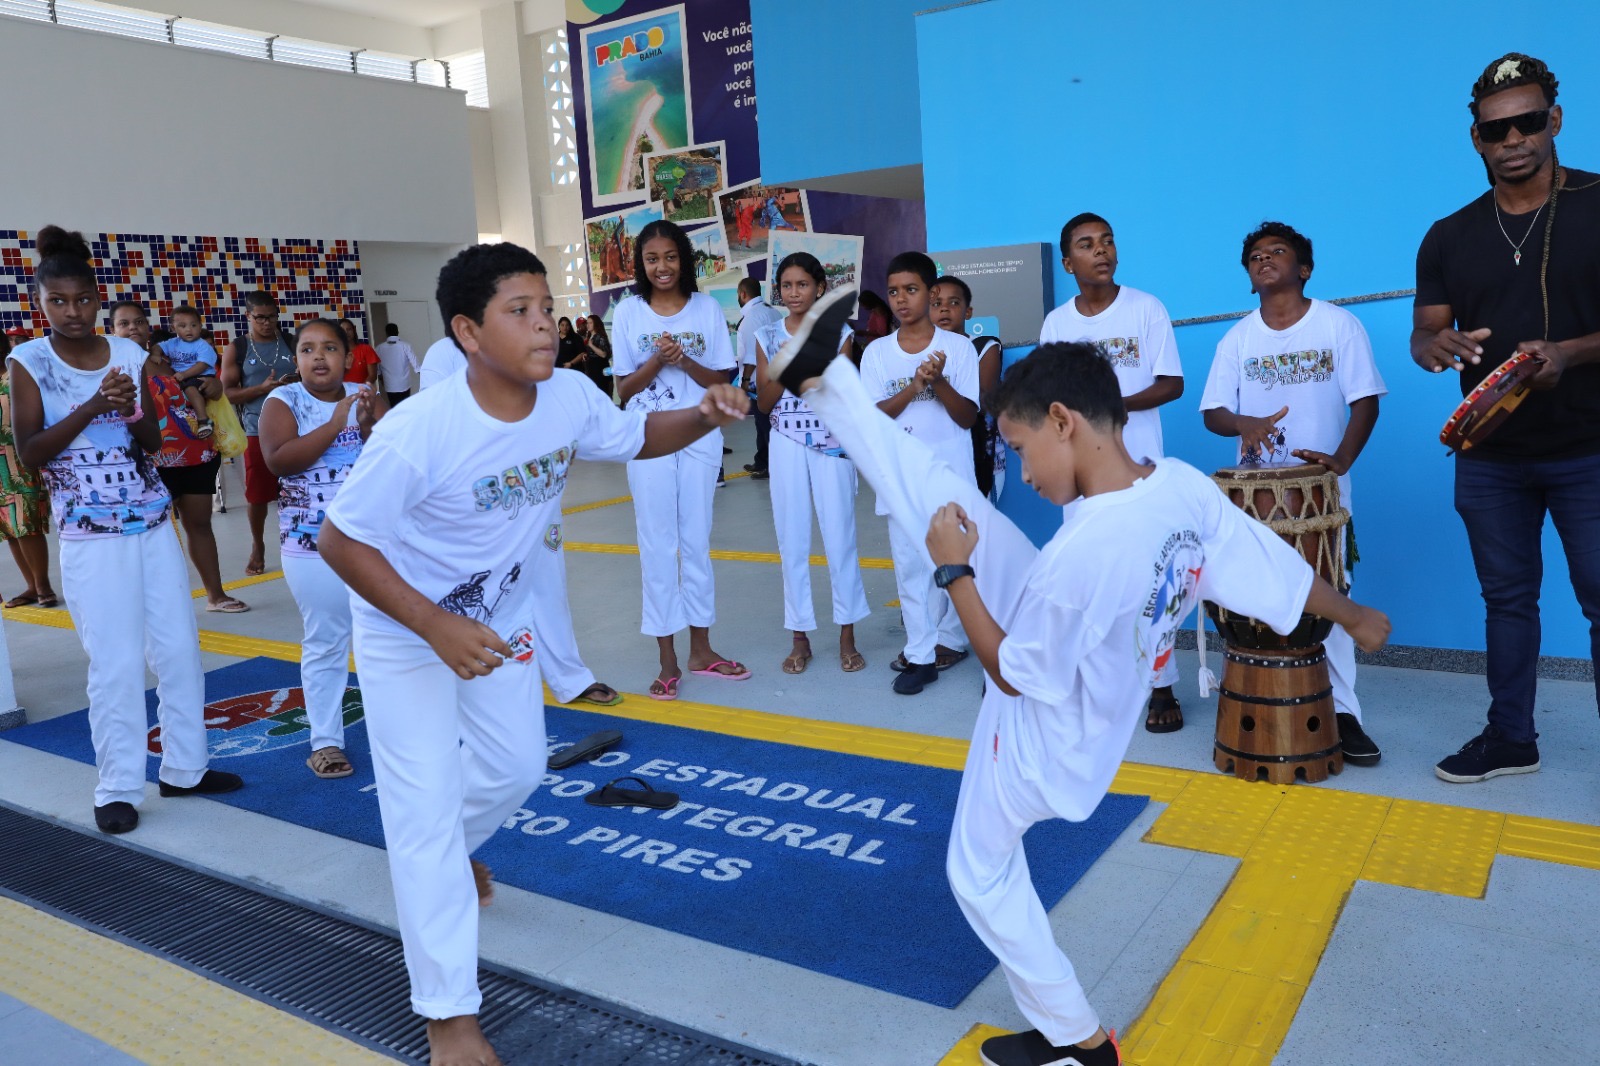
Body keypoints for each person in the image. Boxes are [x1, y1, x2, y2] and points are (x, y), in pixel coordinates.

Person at [765, 292, 1391, 1066]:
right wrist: (1354, 615)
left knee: (978, 871)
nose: (1021, 472)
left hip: (1044, 734)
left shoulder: (1082, 559)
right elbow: (1273, 574)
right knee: (941, 492)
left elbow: (1014, 673)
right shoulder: (1181, 488)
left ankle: (1083, 1044)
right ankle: (829, 377)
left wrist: (954, 571)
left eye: (1021, 448)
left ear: (1064, 421)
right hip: (1083, 665)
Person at [318, 241, 746, 1066]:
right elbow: (343, 541)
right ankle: (448, 1016)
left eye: (547, 308)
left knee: (516, 770)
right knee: (419, 811)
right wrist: (432, 626)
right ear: (469, 334)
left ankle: (447, 855)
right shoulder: (423, 429)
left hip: (497, 623)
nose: (546, 325)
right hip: (408, 633)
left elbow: (634, 436)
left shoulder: (569, 399)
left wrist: (703, 413)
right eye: (521, 311)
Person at [9, 226, 242, 835]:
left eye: (83, 300)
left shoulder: (130, 354)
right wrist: (90, 407)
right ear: (41, 303)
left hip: (149, 522)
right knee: (113, 664)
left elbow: (152, 441)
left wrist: (131, 408)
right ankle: (116, 786)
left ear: (97, 297)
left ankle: (185, 770)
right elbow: (31, 452)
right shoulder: (28, 361)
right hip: (90, 535)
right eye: (58, 302)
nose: (73, 312)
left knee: (178, 650)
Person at [1412, 53, 1600, 783]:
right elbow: (1425, 331)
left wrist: (1571, 354)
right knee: (1507, 602)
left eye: (1527, 122)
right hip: (1490, 455)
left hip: (1590, 448)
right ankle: (1512, 737)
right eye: (1497, 130)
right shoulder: (1450, 235)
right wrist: (1438, 345)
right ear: (1476, 140)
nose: (1513, 138)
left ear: (1554, 121)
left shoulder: (1594, 203)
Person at [1199, 221, 1385, 766]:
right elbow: (1212, 413)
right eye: (1255, 255)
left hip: (1320, 493)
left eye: (1277, 251)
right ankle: (1254, 701)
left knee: (1329, 598)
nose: (1264, 259)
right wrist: (1244, 423)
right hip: (1256, 499)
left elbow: (1366, 401)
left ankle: (1344, 713)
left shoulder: (1338, 325)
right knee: (1254, 602)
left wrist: (1341, 460)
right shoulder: (1237, 338)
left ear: (1304, 268)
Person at [416, 310, 627, 712]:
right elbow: (435, 427)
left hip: (533, 492)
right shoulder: (444, 354)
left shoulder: (525, 351)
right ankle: (483, 678)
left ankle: (570, 676)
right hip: (476, 502)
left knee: (549, 582)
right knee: (477, 592)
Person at [1038, 214, 1187, 732]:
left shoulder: (1146, 308)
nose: (1101, 251)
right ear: (1067, 262)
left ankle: (1161, 685)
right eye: (1087, 244)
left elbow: (1172, 384)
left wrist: (1110, 405)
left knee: (1151, 577)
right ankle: (1096, 682)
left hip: (1138, 469)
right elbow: (1049, 397)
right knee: (1087, 576)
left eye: (1107, 242)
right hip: (1080, 475)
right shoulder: (1058, 323)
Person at [612, 219, 750, 698]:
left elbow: (722, 380)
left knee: (696, 540)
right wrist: (656, 361)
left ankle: (701, 650)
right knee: (656, 544)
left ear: (684, 259)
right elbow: (623, 389)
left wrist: (682, 360)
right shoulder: (628, 313)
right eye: (652, 259)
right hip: (647, 439)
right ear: (641, 264)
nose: (662, 266)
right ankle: (667, 659)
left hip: (699, 435)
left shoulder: (708, 308)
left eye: (670, 257)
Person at [259, 320, 382, 780]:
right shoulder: (283, 400)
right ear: (297, 359)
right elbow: (280, 460)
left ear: (348, 357)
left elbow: (392, 461)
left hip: (371, 544)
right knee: (327, 640)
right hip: (310, 545)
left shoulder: (365, 394)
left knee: (384, 640)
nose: (319, 357)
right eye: (308, 349)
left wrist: (368, 426)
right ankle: (326, 742)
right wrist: (336, 424)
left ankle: (399, 731)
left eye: (330, 348)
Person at [859, 251, 979, 695]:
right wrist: (914, 386)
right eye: (893, 291)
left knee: (957, 565)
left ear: (931, 293)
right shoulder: (876, 353)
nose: (901, 300)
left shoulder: (959, 348)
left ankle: (969, 645)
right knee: (911, 570)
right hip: (900, 477)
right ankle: (921, 655)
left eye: (911, 290)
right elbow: (873, 419)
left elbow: (967, 418)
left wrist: (941, 381)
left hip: (949, 477)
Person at [754, 252, 869, 674]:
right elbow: (765, 404)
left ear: (819, 287)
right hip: (786, 443)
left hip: (832, 444)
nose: (794, 292)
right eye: (786, 285)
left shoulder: (840, 332)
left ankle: (847, 635)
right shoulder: (766, 335)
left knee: (840, 537)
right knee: (792, 539)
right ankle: (799, 636)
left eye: (802, 284)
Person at [136, 305, 250, 614]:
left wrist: (214, 388)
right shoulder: (113, 368)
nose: (132, 328)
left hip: (196, 455)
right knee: (151, 535)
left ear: (150, 329)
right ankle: (159, 607)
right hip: (148, 462)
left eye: (138, 322)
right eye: (123, 323)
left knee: (199, 525)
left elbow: (212, 388)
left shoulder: (173, 358)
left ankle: (216, 595)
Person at [222, 291, 297, 577]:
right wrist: (261, 390)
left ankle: (298, 540)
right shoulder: (238, 348)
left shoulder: (291, 342)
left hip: (297, 428)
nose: (267, 323)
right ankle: (258, 545)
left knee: (298, 488)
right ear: (248, 317)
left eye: (272, 317)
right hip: (257, 431)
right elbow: (228, 393)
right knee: (257, 496)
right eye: (260, 318)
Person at [932, 275, 1007, 502]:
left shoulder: (985, 346)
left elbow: (982, 401)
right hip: (935, 451)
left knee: (977, 522)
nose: (945, 309)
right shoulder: (919, 352)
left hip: (978, 450)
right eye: (936, 304)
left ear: (968, 312)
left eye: (953, 303)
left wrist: (939, 383)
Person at [0, 326, 56, 610]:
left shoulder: (14, 379)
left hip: (19, 462)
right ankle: (32, 587)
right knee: (9, 528)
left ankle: (43, 586)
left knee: (26, 525)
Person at [736, 277, 783, 479]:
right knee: (764, 423)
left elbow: (751, 356)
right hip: (777, 377)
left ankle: (774, 466)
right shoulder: (773, 312)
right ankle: (762, 461)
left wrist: (745, 382)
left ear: (743, 294)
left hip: (758, 381)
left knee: (765, 424)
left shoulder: (751, 319)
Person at [158, 305, 217, 439]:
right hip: (185, 377)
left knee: (190, 388)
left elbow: (202, 365)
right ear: (173, 328)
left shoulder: (202, 345)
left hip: (201, 375)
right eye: (182, 326)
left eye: (193, 325)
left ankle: (204, 420)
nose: (189, 329)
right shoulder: (172, 343)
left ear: (200, 326)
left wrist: (184, 375)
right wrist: (156, 354)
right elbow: (158, 347)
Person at [375, 322, 419, 407]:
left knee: (394, 406)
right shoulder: (406, 346)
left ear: (386, 333)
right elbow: (415, 363)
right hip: (404, 384)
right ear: (397, 332)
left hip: (389, 385)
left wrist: (380, 376)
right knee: (406, 406)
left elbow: (377, 367)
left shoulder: (379, 348)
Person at [340, 318, 382, 391]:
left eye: (349, 329)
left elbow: (372, 375)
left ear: (354, 329)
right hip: (341, 395)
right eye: (342, 330)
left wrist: (360, 390)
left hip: (363, 393)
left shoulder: (366, 349)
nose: (346, 332)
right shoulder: (337, 353)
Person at [583, 314, 613, 398]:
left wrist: (591, 345)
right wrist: (586, 355)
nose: (588, 325)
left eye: (590, 323)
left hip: (600, 369)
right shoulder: (589, 336)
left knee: (602, 392)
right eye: (587, 323)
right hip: (591, 368)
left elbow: (604, 354)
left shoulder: (600, 336)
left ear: (595, 324)